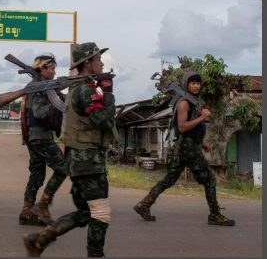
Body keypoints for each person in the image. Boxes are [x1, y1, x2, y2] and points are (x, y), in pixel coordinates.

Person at [23, 42, 117, 257]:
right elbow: (103, 120)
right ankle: (95, 255)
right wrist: (109, 91)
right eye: (97, 59)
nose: (101, 63)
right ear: (87, 64)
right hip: (87, 161)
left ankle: (38, 240)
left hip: (79, 160)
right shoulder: (85, 91)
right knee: (100, 213)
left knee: (86, 213)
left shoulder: (82, 88)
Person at [133, 71, 235, 226]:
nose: (196, 86)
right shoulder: (184, 103)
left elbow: (192, 129)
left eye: (198, 83)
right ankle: (215, 215)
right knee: (209, 180)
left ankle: (144, 204)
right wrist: (202, 117)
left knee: (169, 179)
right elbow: (182, 127)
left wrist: (202, 143)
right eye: (193, 83)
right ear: (186, 84)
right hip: (188, 148)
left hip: (185, 146)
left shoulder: (193, 102)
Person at [19, 52, 67, 226]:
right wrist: (58, 102)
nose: (54, 72)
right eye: (52, 68)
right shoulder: (37, 88)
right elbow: (39, 113)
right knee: (63, 168)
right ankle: (42, 205)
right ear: (43, 68)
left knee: (37, 175)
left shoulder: (43, 86)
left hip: (35, 137)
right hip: (40, 137)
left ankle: (26, 212)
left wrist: (57, 94)